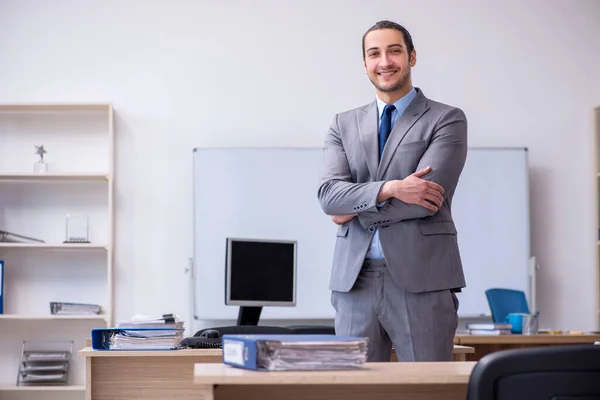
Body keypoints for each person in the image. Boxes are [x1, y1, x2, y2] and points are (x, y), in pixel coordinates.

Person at [317, 20, 468, 362]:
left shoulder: (446, 119)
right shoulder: (343, 124)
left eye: (394, 51)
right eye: (374, 53)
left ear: (412, 57)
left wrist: (352, 206)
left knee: (426, 391)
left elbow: (427, 201)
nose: (384, 61)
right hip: (354, 283)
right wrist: (393, 188)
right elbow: (328, 196)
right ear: (365, 63)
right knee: (354, 393)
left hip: (423, 280)